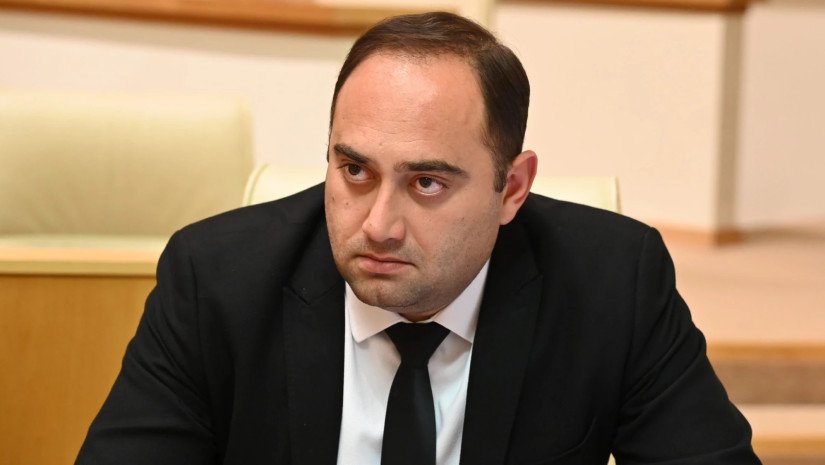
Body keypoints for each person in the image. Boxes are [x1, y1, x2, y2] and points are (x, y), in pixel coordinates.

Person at [76, 11, 761, 465]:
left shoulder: (612, 283)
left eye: (427, 182)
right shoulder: (217, 281)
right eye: (354, 171)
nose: (378, 224)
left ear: (511, 188)